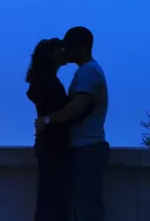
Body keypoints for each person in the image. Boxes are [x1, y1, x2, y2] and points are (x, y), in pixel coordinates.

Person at [36, 26, 109, 221]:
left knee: (86, 208)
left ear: (79, 48)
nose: (65, 51)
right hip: (87, 148)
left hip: (86, 148)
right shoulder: (89, 71)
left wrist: (49, 120)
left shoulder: (88, 72)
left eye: (68, 46)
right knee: (84, 206)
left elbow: (78, 107)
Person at [26, 38, 70, 221]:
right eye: (61, 48)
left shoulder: (42, 81)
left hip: (47, 145)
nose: (64, 51)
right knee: (54, 202)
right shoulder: (50, 83)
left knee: (48, 200)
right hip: (55, 147)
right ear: (52, 55)